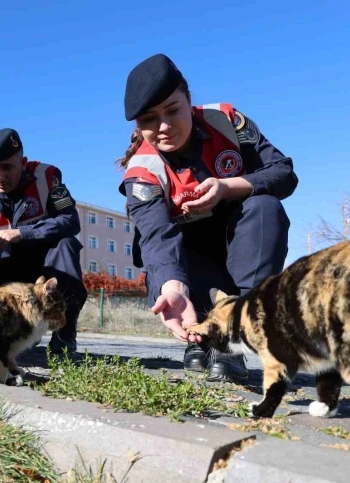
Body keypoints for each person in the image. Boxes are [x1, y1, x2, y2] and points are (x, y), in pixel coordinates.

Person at [117, 54, 298, 383]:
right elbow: (157, 239)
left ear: (189, 100)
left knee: (264, 207)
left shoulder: (226, 122)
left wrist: (228, 187)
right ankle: (201, 337)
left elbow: (283, 173)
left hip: (243, 245)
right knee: (174, 274)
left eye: (173, 110)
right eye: (149, 119)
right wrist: (173, 289)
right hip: (188, 259)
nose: (164, 127)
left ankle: (234, 334)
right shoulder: (141, 173)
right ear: (137, 126)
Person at [0, 128, 88, 354]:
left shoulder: (48, 178)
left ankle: (64, 337)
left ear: (23, 163)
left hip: (45, 268)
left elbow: (71, 220)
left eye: (7, 167)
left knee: (66, 244)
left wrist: (22, 232)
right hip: (2, 271)